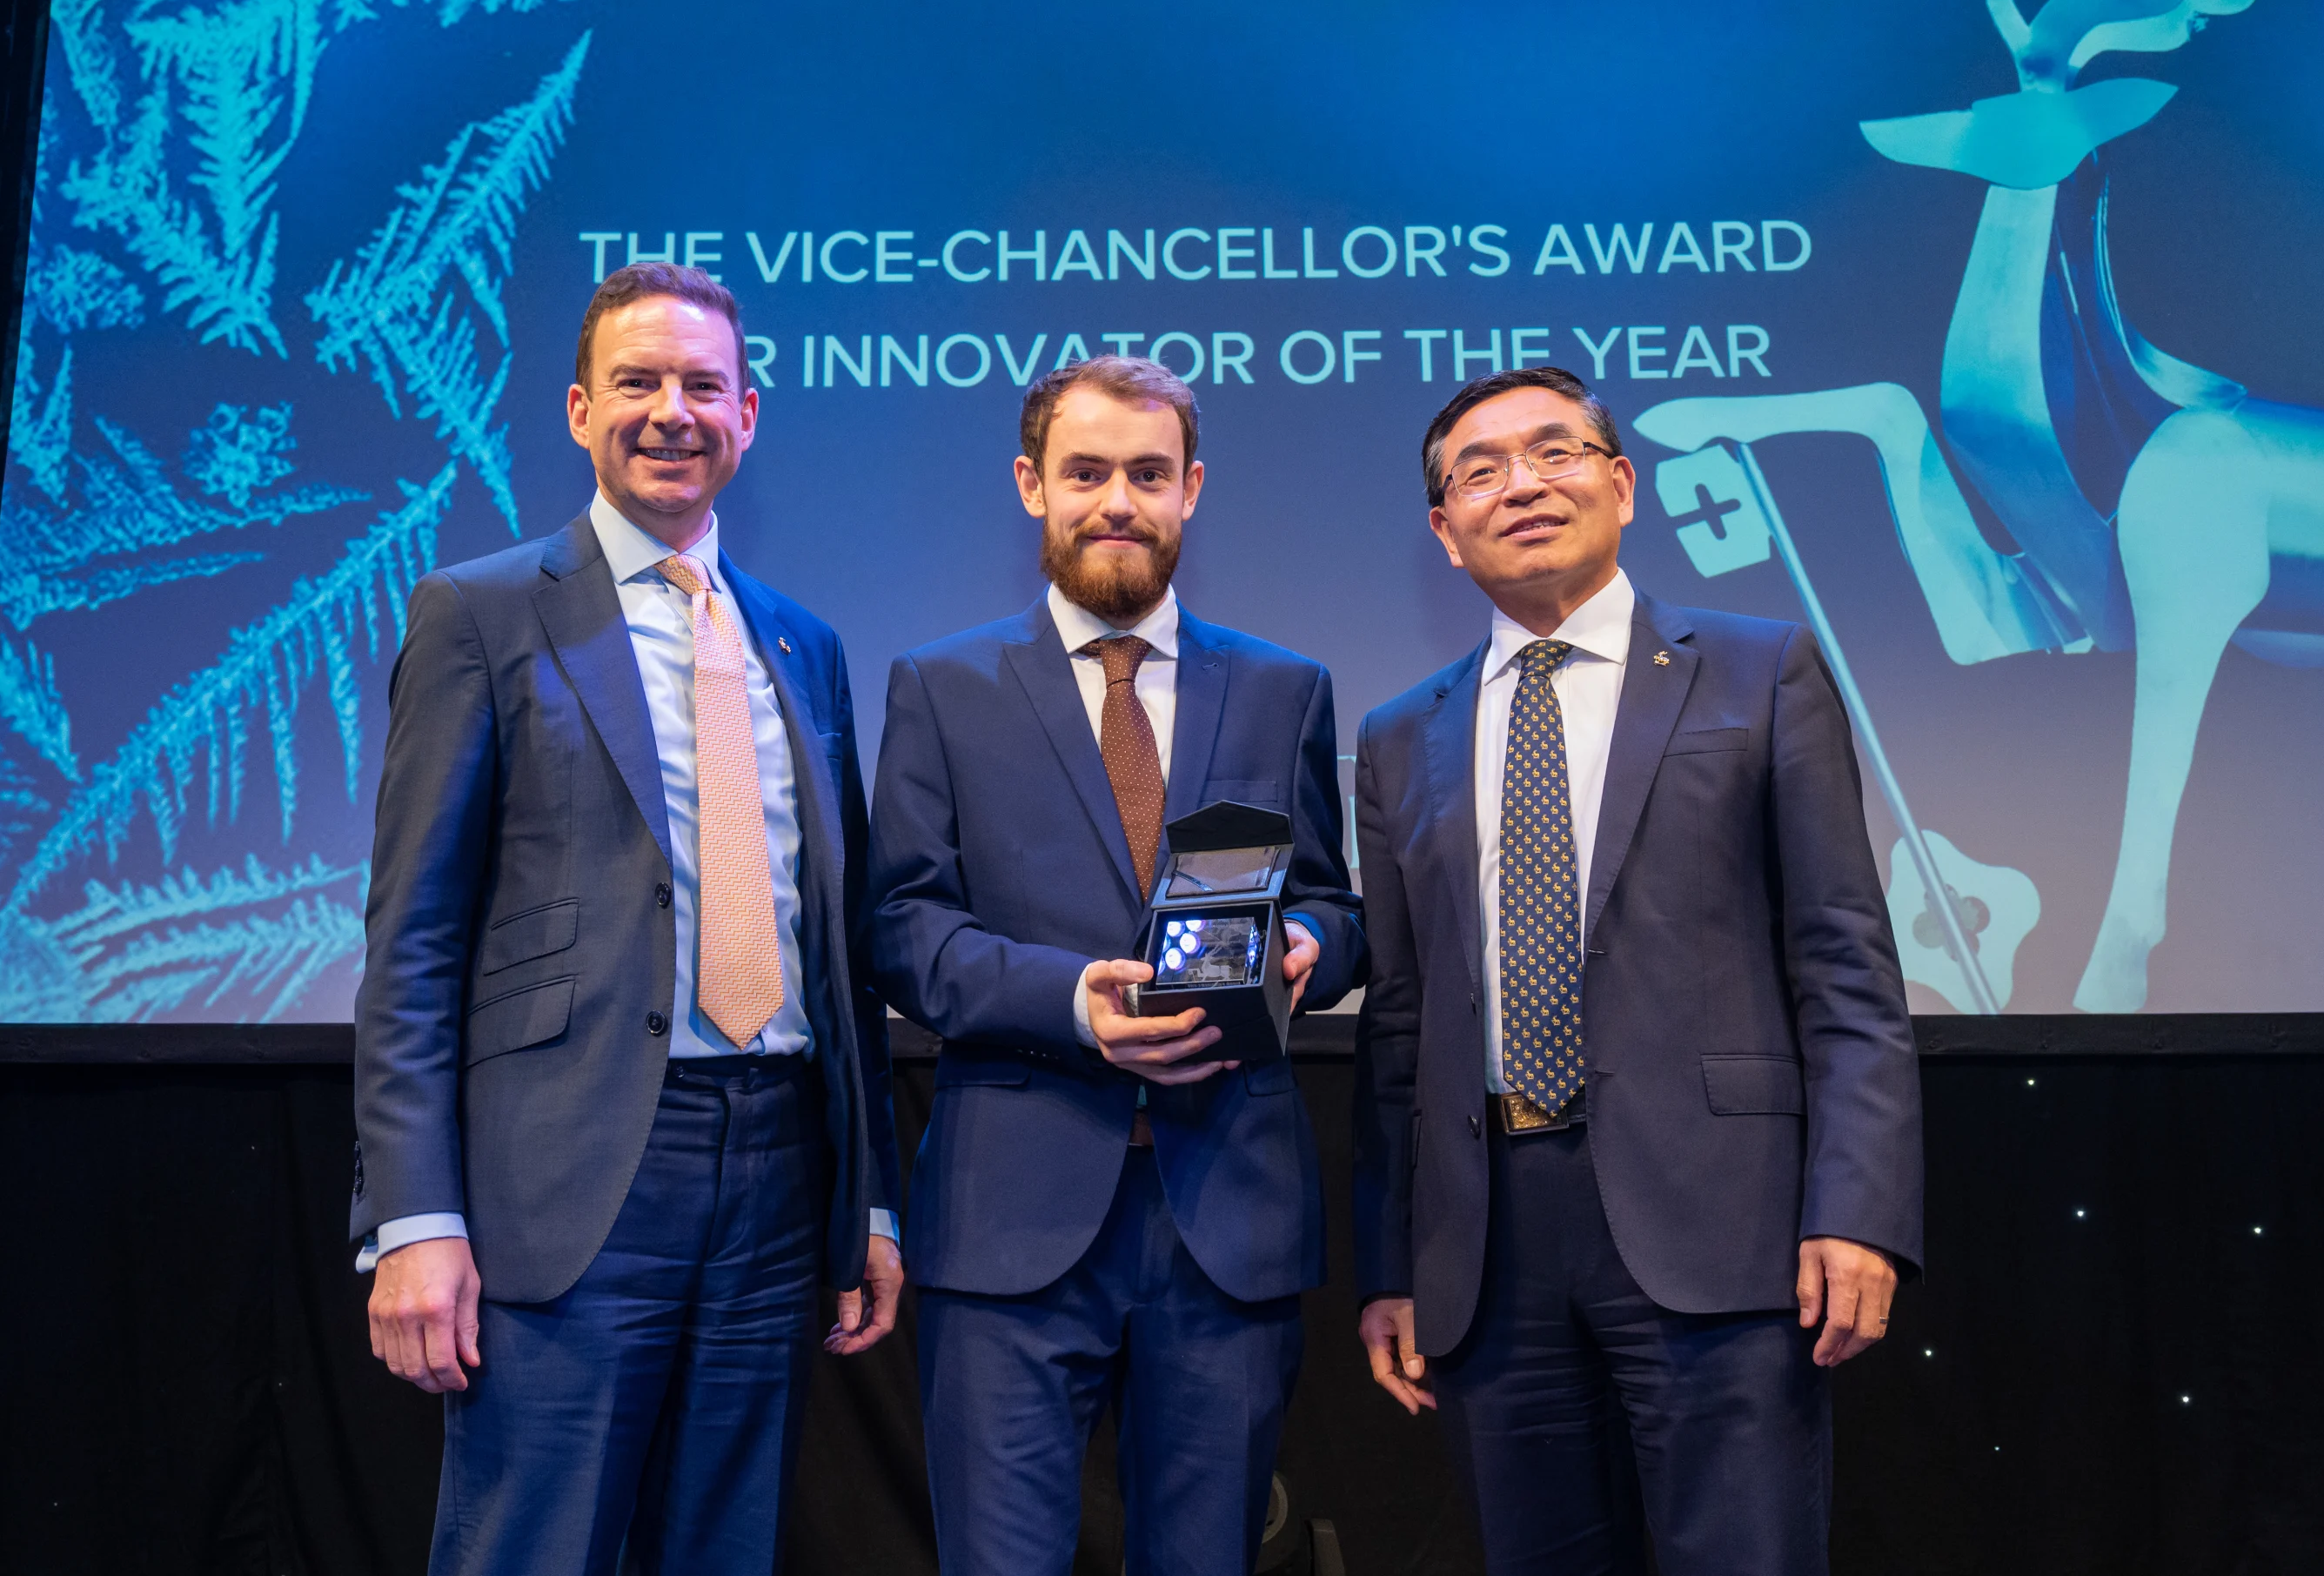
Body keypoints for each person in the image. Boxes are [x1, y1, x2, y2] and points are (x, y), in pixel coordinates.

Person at [351, 261, 902, 1574]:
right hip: (575, 1171)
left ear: (748, 416)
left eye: (702, 385)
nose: (672, 410)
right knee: (531, 1548)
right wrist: (414, 1218)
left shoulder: (802, 643)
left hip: (778, 1169)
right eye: (639, 382)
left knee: (724, 1544)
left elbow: (835, 951)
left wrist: (868, 1200)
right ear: (578, 408)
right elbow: (412, 944)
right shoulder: (478, 611)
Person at [1350, 365, 1924, 1575]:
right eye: (1480, 469)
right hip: (1489, 1245)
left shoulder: (1762, 670)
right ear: (1445, 535)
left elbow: (1845, 967)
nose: (1522, 484)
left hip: (1724, 1227)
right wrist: (1392, 1262)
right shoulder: (1400, 734)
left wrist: (1857, 1210)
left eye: (1555, 452)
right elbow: (1398, 1022)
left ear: (1620, 486)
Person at [870, 356, 1367, 1576]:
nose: (1116, 501)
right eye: (1085, 472)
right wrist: (1070, 1004)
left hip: (1225, 1212)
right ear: (1031, 485)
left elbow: (1333, 902)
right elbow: (902, 926)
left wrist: (1315, 943)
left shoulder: (1283, 685)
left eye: (1147, 473)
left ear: (1190, 489)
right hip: (1010, 1220)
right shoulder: (939, 687)